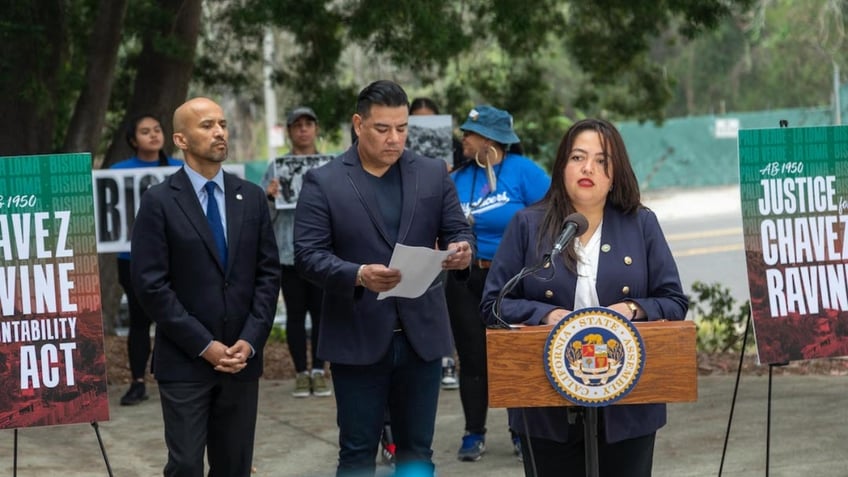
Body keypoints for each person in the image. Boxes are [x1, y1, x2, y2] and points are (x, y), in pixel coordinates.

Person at [479, 118, 689, 477]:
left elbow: (674, 301)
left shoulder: (641, 223)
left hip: (628, 404)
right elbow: (493, 305)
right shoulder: (528, 225)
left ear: (615, 173)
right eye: (577, 157)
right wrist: (549, 316)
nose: (588, 167)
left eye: (601, 160)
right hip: (546, 406)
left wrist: (631, 309)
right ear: (562, 166)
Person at [294, 80, 474, 477]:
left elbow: (458, 229)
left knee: (417, 452)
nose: (394, 139)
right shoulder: (323, 182)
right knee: (357, 452)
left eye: (402, 128)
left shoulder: (431, 173)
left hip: (420, 336)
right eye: (382, 129)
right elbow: (307, 256)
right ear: (358, 124)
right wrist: (357, 275)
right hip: (356, 335)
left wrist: (462, 250)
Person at [130, 97, 280, 476]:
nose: (219, 132)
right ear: (180, 139)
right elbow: (151, 286)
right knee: (184, 466)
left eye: (223, 124)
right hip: (185, 362)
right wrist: (205, 346)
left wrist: (250, 339)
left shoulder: (252, 198)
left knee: (234, 467)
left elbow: (267, 275)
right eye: (207, 125)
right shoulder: (159, 202)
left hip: (241, 361)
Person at [447, 105, 551, 462]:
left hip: (511, 278)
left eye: (470, 134)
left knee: (512, 354)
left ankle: (521, 431)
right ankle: (473, 432)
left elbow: (556, 214)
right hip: (465, 277)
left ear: (490, 141)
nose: (464, 138)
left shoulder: (523, 172)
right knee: (473, 357)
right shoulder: (457, 177)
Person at [111, 114, 183, 406]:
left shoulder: (181, 168)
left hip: (176, 256)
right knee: (139, 321)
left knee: (175, 318)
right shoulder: (117, 172)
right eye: (145, 131)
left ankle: (178, 378)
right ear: (132, 140)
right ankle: (138, 382)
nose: (153, 135)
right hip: (132, 258)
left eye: (157, 129)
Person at [261, 106, 330, 398]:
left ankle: (319, 370)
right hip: (288, 253)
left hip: (323, 252)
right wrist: (270, 197)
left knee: (322, 313)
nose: (303, 129)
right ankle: (301, 371)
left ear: (316, 129)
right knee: (295, 314)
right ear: (289, 131)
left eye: (308, 124)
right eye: (297, 125)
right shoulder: (275, 169)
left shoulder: (330, 166)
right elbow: (263, 217)